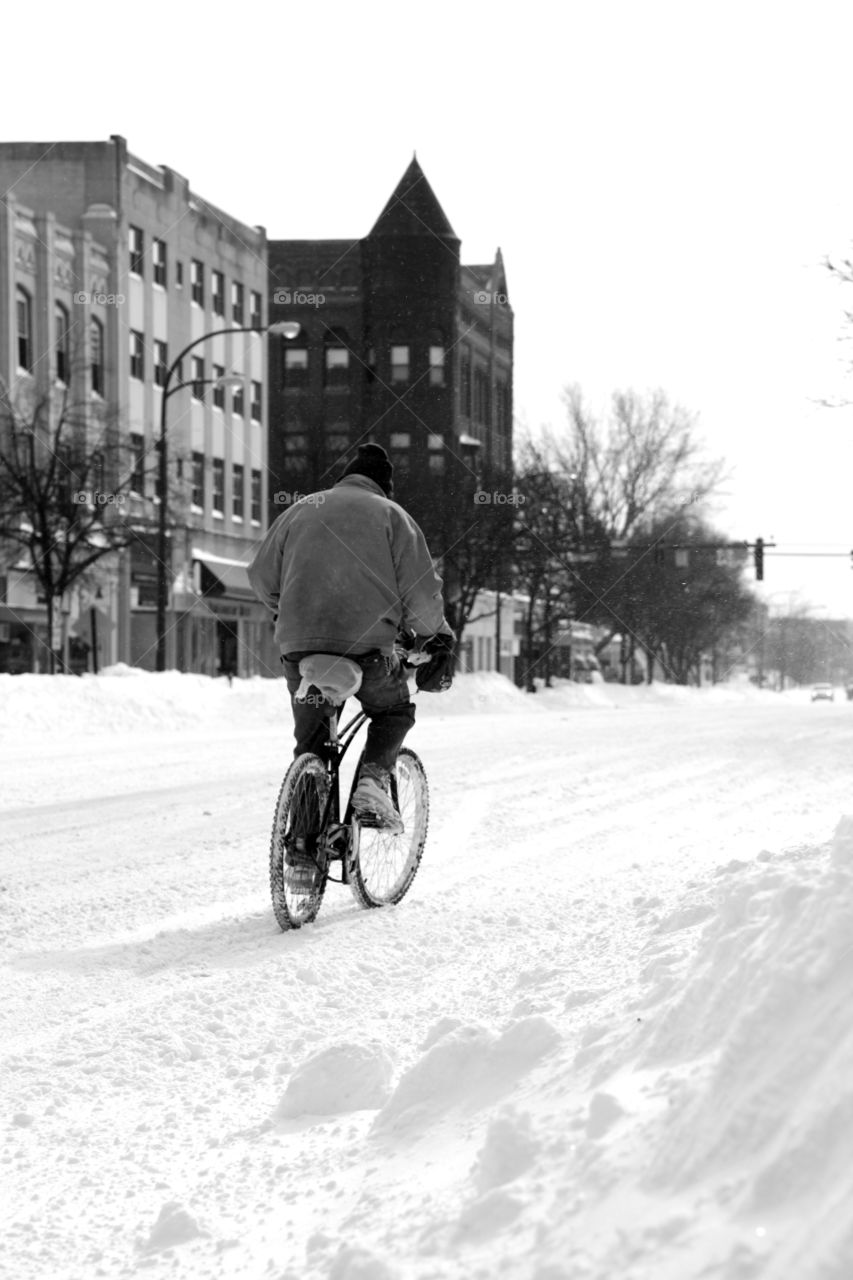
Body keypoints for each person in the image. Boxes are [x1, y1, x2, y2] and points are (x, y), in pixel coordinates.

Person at [248, 444, 454, 875]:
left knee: (312, 746)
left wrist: (288, 611)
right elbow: (420, 595)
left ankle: (302, 855)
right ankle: (373, 784)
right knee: (394, 712)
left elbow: (261, 576)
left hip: (301, 652)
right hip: (369, 651)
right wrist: (435, 637)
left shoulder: (301, 509)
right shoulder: (392, 517)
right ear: (384, 485)